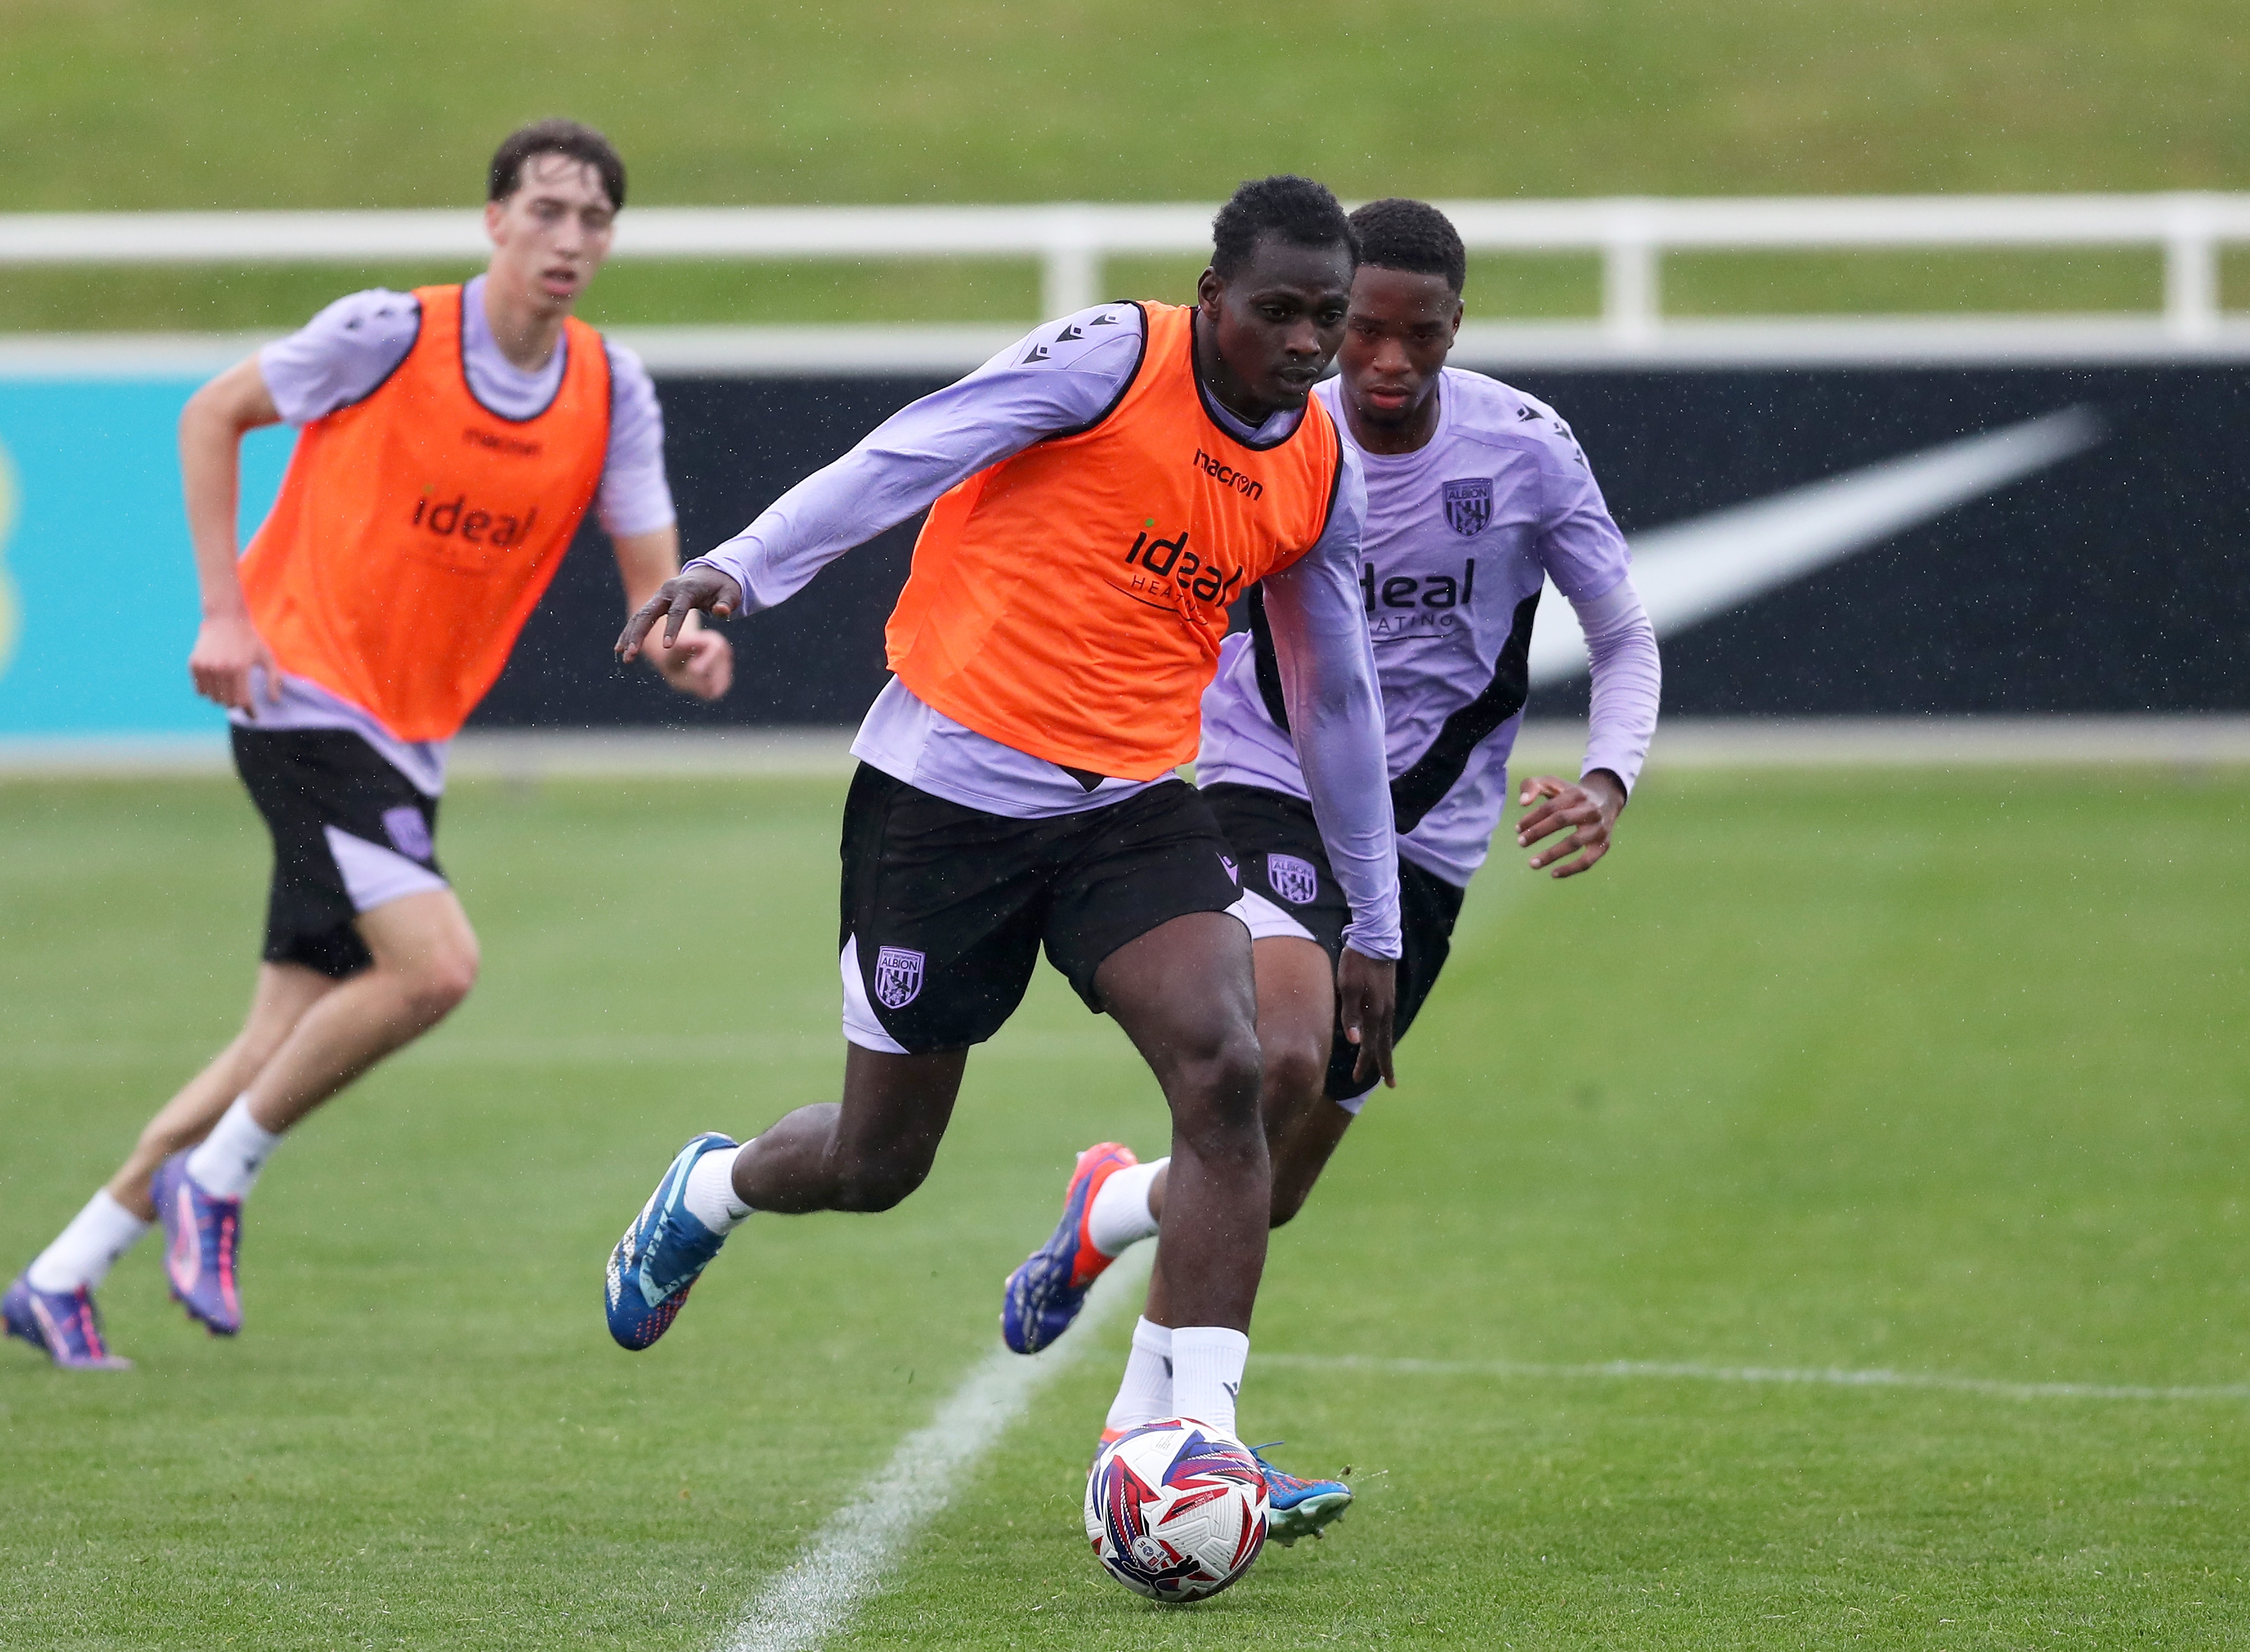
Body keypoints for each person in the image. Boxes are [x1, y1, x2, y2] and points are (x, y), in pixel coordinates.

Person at [598, 179, 1401, 1513]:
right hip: (944, 801)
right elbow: (909, 452)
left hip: (1129, 808)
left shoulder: (1315, 465)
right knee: (876, 1164)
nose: (1309, 345)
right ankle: (714, 1187)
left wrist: (1368, 921)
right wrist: (738, 566)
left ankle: (1185, 1441)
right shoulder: (1109, 358)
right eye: (1279, 313)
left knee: (1228, 1072)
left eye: (1328, 315)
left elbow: (1334, 697)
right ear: (1211, 300)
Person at [3, 120, 731, 1371]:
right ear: (493, 220)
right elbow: (211, 413)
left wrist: (682, 645)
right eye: (545, 210)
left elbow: (651, 594)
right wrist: (225, 608)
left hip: (404, 739)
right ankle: (217, 1179)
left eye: (593, 218)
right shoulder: (389, 334)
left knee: (274, 1037)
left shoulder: (612, 392)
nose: (568, 238)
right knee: (436, 966)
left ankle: (63, 1273)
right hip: (296, 693)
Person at [997, 198, 1662, 1541]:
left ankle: (1113, 1214)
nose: (1386, 362)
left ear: (1454, 329)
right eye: (1363, 329)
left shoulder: (1525, 451)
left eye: (1418, 335)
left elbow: (1623, 632)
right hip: (1257, 785)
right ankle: (1186, 1445)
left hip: (1430, 843)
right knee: (1281, 1057)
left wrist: (1604, 781)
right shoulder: (1276, 437)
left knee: (1273, 1178)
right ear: (1332, 316)